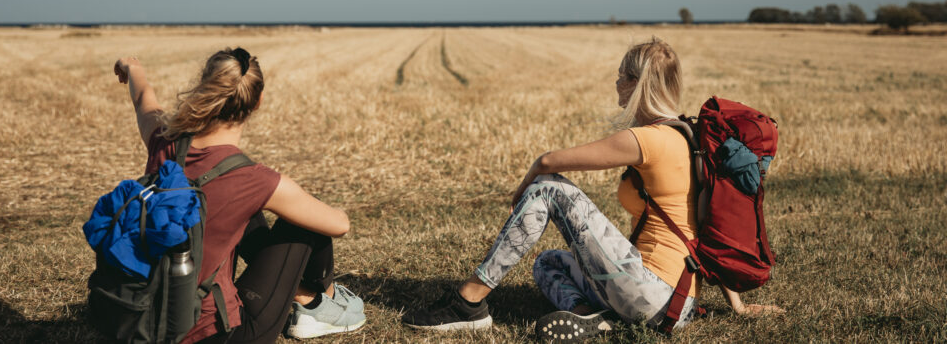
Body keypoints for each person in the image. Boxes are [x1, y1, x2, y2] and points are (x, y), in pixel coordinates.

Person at [401, 38, 782, 341]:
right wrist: (739, 307)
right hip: (674, 301)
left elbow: (550, 161)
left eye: (622, 76)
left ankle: (468, 303)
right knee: (548, 262)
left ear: (639, 84)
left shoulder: (648, 139)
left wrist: (526, 184)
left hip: (653, 293)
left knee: (549, 188)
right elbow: (706, 228)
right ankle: (591, 317)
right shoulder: (687, 136)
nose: (616, 82)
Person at [113, 47, 365, 344]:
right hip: (221, 335)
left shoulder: (163, 141)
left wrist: (131, 67)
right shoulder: (253, 179)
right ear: (257, 102)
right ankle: (320, 305)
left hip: (145, 323)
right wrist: (292, 197)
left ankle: (308, 299)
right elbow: (340, 225)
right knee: (302, 219)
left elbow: (144, 99)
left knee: (244, 211)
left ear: (206, 87)